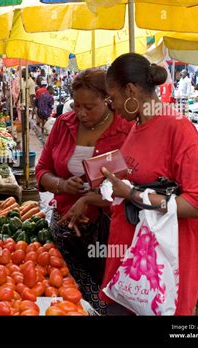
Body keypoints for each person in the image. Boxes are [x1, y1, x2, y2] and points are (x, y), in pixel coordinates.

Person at [62, 53, 198, 315]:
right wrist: (92, 196)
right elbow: (134, 186)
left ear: (131, 90)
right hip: (132, 269)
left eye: (112, 97)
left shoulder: (177, 129)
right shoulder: (139, 124)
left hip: (161, 272)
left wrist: (134, 194)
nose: (112, 106)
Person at [35, 69, 132, 314]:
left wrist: (93, 199)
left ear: (108, 100)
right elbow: (42, 169)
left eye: (90, 107)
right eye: (77, 105)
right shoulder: (63, 124)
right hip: (65, 227)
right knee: (68, 296)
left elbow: (133, 186)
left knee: (106, 297)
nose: (81, 113)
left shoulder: (127, 130)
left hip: (108, 231)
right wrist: (61, 185)